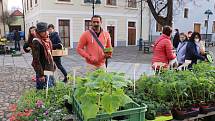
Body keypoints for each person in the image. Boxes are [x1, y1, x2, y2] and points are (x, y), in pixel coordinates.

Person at [32, 22, 56, 89]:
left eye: (46, 31)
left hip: (49, 68)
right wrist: (41, 75)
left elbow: (50, 55)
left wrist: (53, 65)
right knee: (43, 91)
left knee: (50, 89)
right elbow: (36, 60)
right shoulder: (36, 41)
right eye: (43, 31)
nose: (46, 33)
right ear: (39, 32)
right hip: (42, 70)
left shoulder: (47, 40)